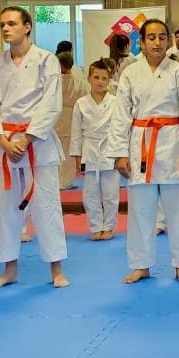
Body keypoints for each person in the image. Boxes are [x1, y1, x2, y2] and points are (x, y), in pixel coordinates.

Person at [0, 6, 69, 289]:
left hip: (37, 144)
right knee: (7, 210)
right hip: (6, 142)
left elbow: (51, 103)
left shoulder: (46, 60)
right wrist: (2, 140)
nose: (6, 29)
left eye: (12, 23)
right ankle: (9, 269)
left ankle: (56, 269)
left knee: (47, 207)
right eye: (2, 25)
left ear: (27, 26)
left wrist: (27, 138)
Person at [110, 19, 179, 284]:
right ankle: (141, 265)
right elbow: (120, 116)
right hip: (140, 145)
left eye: (162, 37)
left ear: (169, 40)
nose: (157, 42)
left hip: (173, 143)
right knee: (140, 211)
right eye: (151, 37)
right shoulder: (130, 73)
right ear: (141, 41)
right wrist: (120, 152)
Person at [72, 59, 120, 241]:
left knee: (111, 193)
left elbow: (120, 130)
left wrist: (121, 154)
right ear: (89, 78)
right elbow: (76, 133)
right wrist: (77, 157)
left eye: (104, 78)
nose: (100, 81)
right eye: (96, 77)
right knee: (90, 194)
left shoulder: (116, 102)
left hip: (109, 149)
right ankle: (95, 227)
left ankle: (108, 227)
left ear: (109, 80)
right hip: (89, 149)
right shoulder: (81, 103)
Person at [55, 51, 86, 190]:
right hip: (73, 117)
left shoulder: (54, 82)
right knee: (69, 151)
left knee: (56, 150)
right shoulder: (79, 82)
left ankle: (57, 180)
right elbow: (84, 100)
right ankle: (66, 181)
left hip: (56, 118)